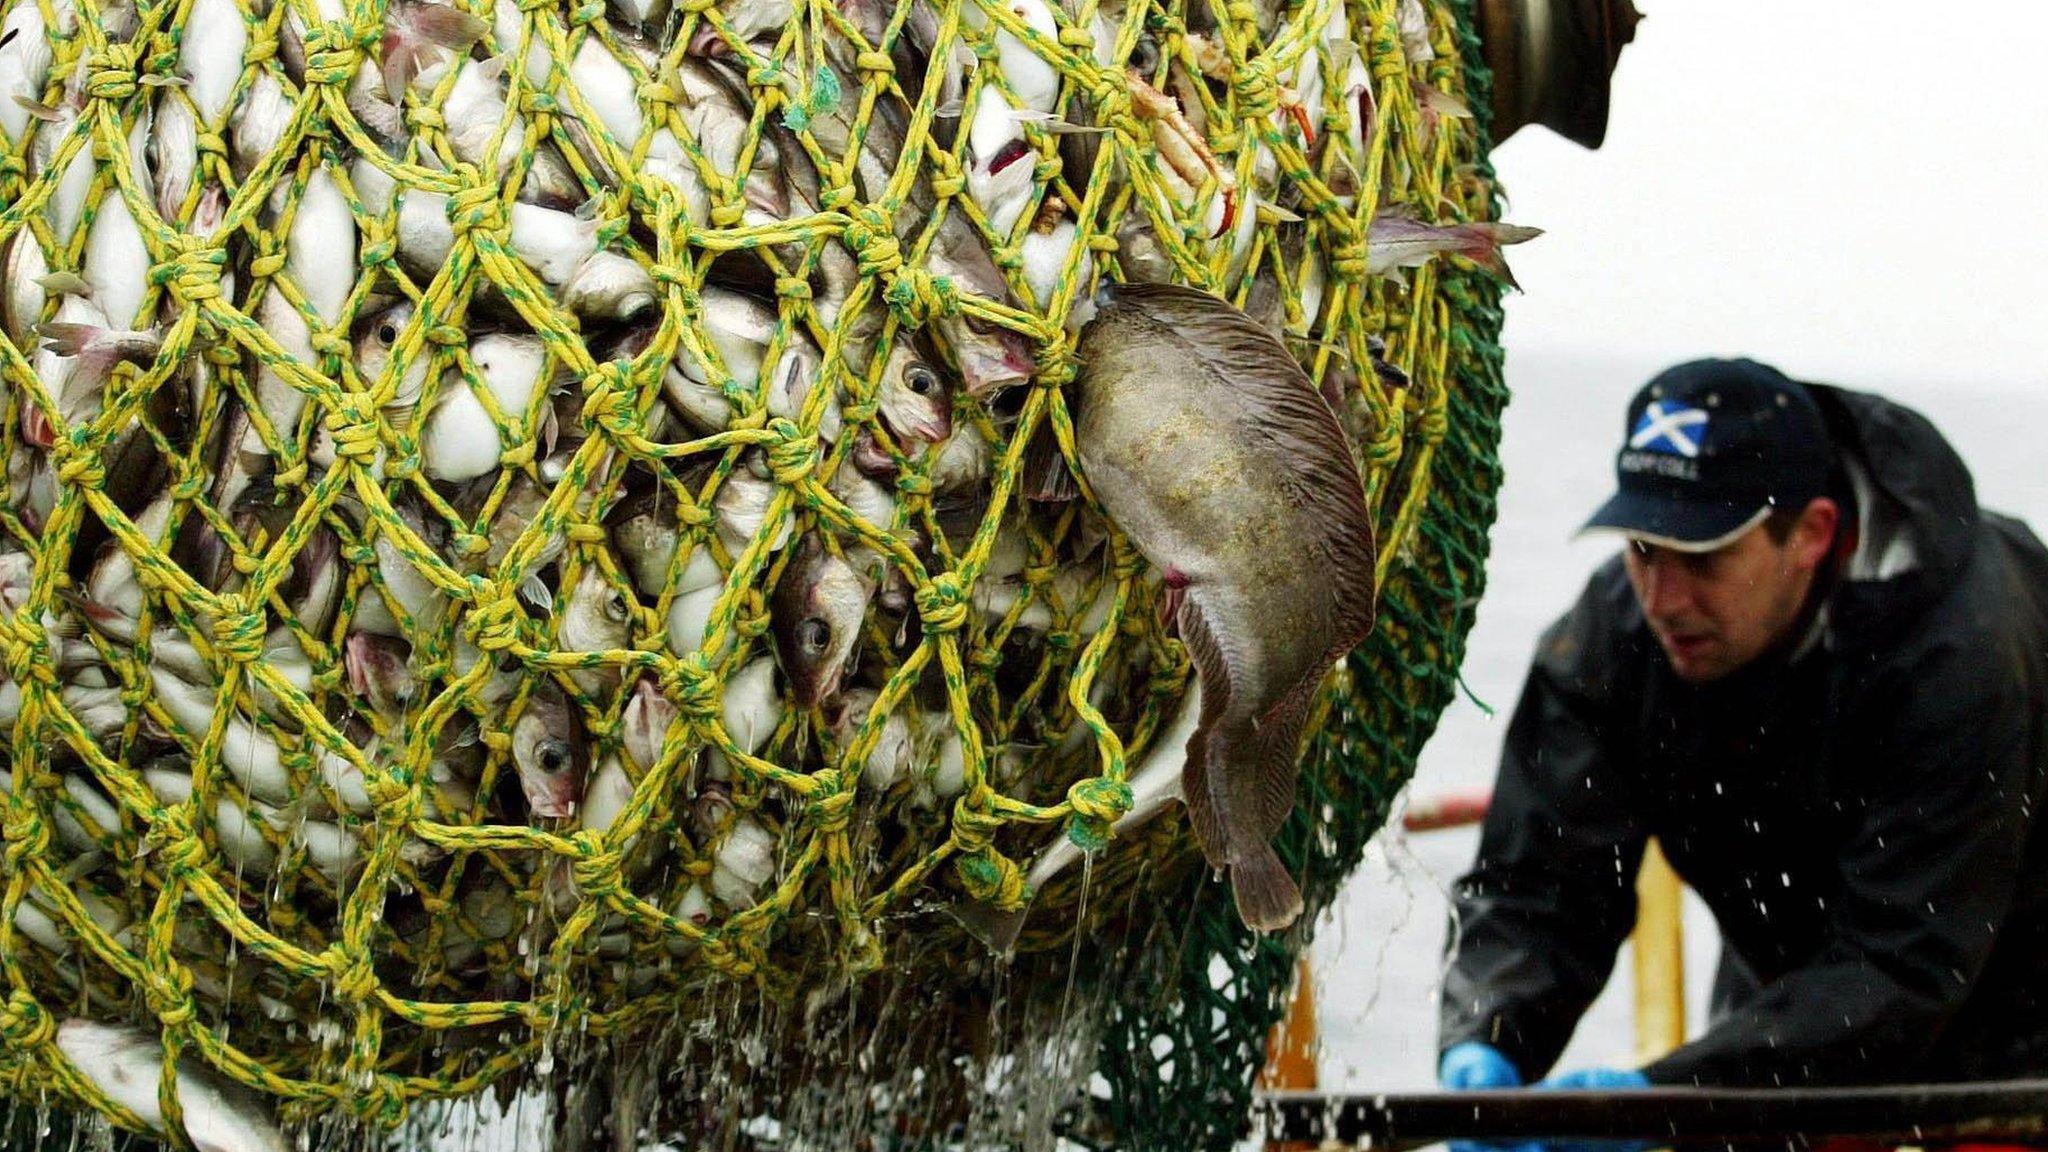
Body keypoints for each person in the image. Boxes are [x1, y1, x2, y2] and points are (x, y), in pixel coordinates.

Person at [1437, 358, 2048, 1102]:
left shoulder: (1967, 652)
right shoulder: (1615, 638)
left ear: (1813, 535)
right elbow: (1538, 889)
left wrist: (1664, 1094)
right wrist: (1485, 1037)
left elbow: (1902, 965)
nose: (1663, 599)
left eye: (1703, 558)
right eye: (1642, 549)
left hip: (2013, 1007)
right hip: (1795, 993)